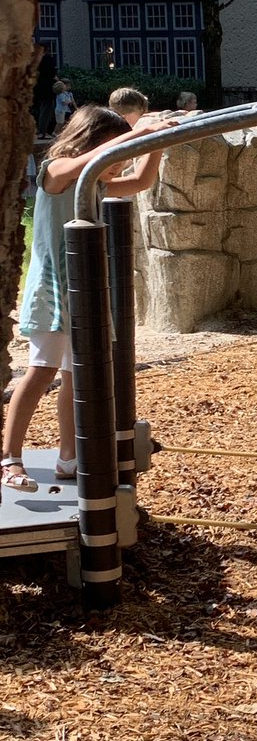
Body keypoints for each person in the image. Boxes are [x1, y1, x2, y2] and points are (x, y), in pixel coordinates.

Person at [1, 106, 177, 493]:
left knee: (74, 376)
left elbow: (141, 181)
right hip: (52, 292)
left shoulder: (92, 185)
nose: (120, 164)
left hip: (81, 292)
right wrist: (137, 133)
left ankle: (69, 456)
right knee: (41, 371)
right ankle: (9, 458)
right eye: (116, 154)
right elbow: (85, 163)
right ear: (91, 142)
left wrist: (156, 142)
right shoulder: (57, 171)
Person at [32, 47, 57, 139]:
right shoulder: (48, 60)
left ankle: (40, 130)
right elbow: (52, 73)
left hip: (38, 88)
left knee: (40, 109)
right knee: (46, 110)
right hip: (47, 89)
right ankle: (43, 131)